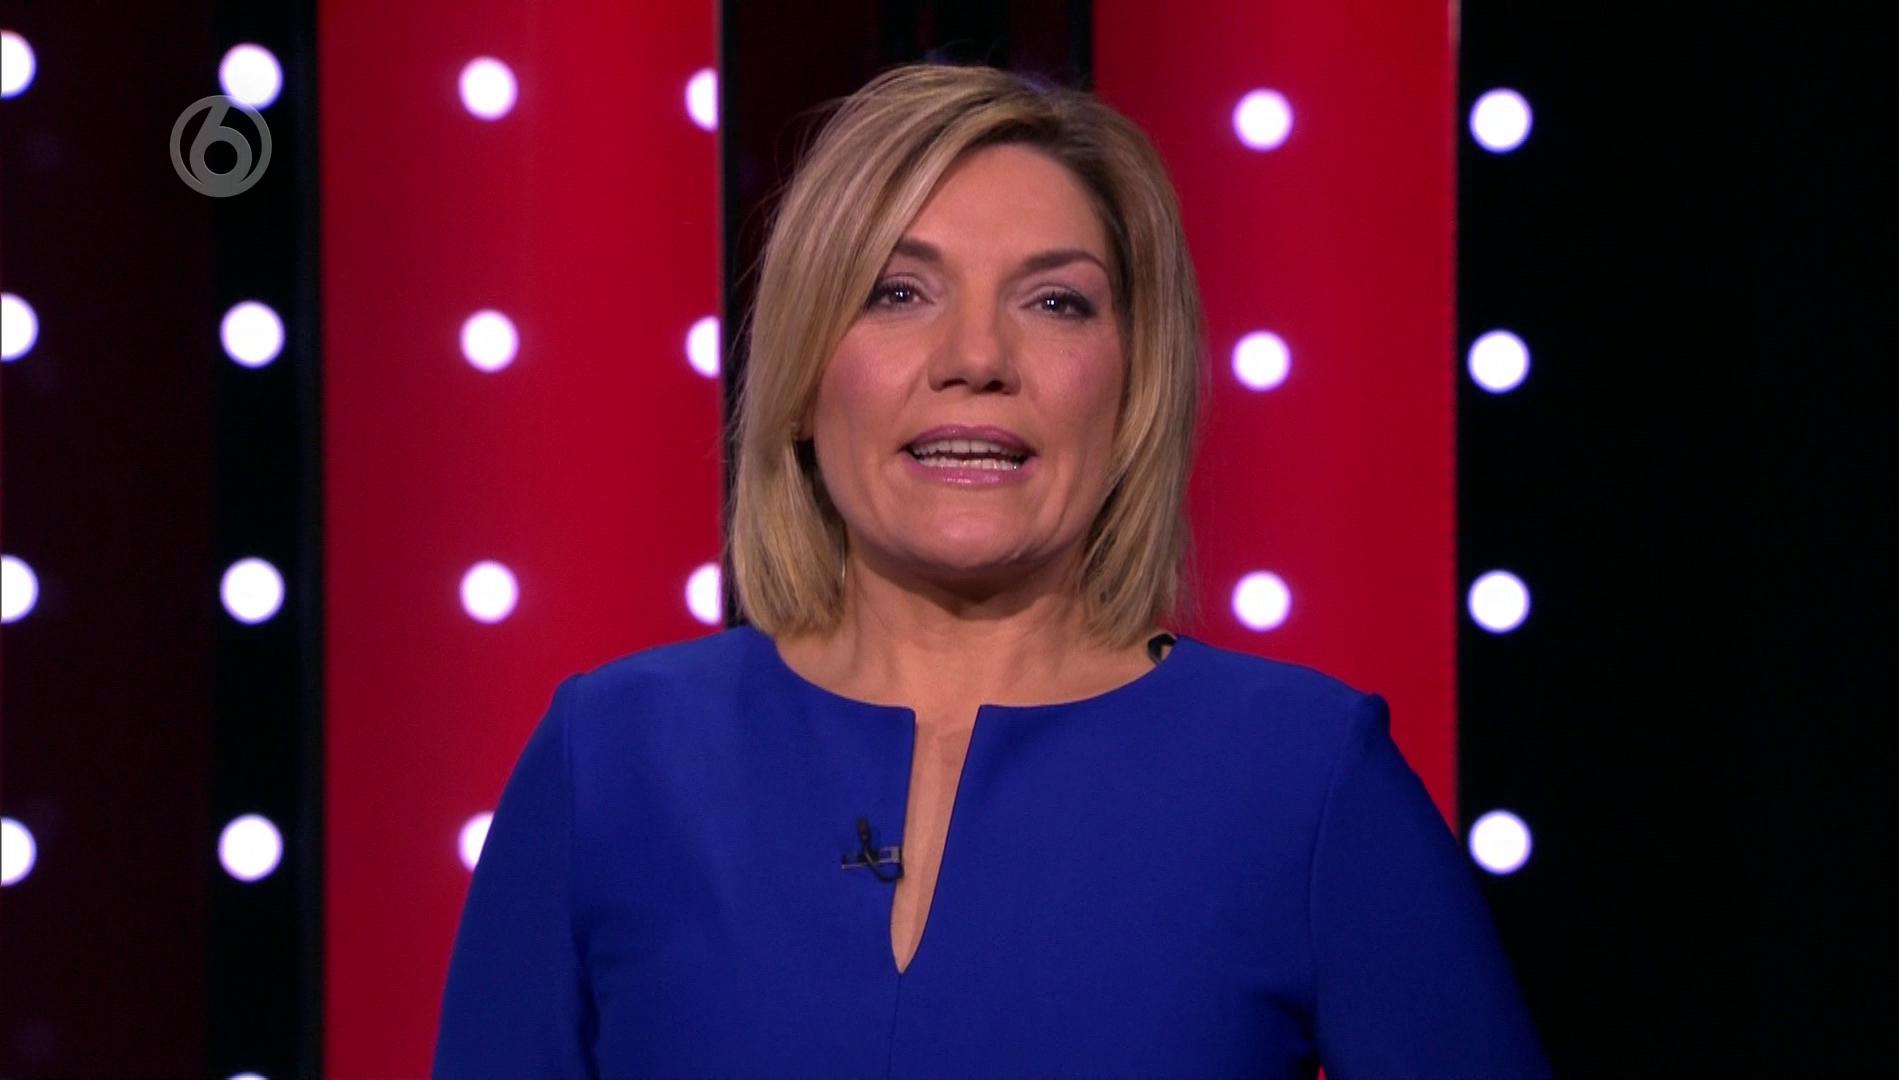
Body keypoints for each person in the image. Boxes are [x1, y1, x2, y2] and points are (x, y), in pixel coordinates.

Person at [432, 62, 1551, 1079]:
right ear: (806, 377)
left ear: (1133, 389)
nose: (976, 360)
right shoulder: (612, 758)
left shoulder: (1306, 776)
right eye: (897, 292)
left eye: (1055, 301)